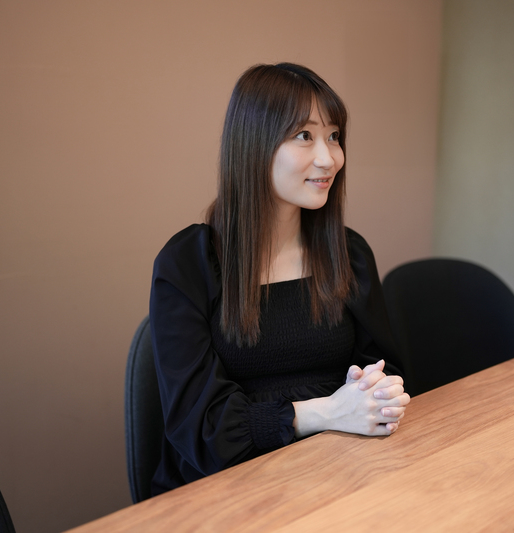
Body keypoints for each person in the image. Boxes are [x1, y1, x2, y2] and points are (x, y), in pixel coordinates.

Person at [149, 62, 410, 495]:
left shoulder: (349, 253)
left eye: (334, 136)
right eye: (305, 135)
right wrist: (329, 411)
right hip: (226, 489)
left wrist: (378, 393)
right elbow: (206, 431)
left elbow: (387, 371)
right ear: (254, 145)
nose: (329, 158)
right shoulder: (188, 263)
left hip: (338, 469)